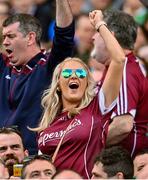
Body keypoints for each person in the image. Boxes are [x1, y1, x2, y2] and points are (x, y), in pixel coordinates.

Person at [32, 10, 126, 179]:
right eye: (67, 74)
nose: (74, 76)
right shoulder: (48, 121)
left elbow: (119, 59)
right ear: (59, 85)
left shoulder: (97, 107)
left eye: (81, 74)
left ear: (86, 84)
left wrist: (99, 25)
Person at [0, 0, 74, 155]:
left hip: (35, 159)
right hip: (3, 156)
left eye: (10, 36)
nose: (5, 42)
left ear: (30, 38)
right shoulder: (4, 66)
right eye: (4, 37)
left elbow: (64, 34)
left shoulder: (50, 67)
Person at [91, 9, 148, 157]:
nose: (92, 38)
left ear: (110, 37)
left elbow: (123, 124)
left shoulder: (124, 70)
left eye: (97, 32)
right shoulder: (129, 65)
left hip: (122, 162)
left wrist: (87, 144)